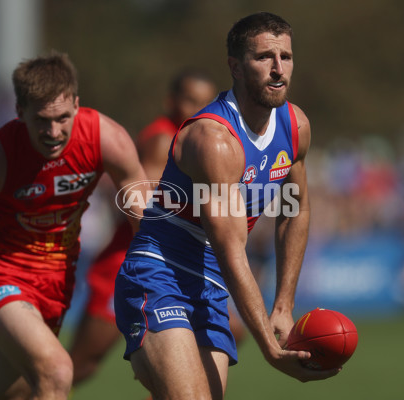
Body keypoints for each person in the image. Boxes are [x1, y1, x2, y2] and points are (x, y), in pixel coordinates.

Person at [113, 12, 340, 400]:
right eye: (264, 57)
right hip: (159, 270)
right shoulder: (214, 141)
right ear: (235, 66)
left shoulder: (295, 125)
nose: (278, 68)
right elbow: (230, 247)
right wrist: (270, 348)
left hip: (211, 281)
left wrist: (283, 307)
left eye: (285, 57)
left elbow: (294, 210)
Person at [0, 51, 148, 400]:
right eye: (41, 120)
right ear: (20, 112)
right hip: (1, 277)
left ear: (77, 105)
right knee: (57, 370)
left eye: (63, 118)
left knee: (2, 397)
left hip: (57, 283)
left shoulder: (107, 139)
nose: (53, 132)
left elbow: (146, 226)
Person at [68, 69, 247, 387]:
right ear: (170, 101)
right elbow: (144, 204)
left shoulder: (200, 139)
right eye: (191, 100)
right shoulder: (163, 137)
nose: (199, 109)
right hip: (131, 263)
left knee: (233, 331)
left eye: (206, 102)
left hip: (171, 261)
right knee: (77, 367)